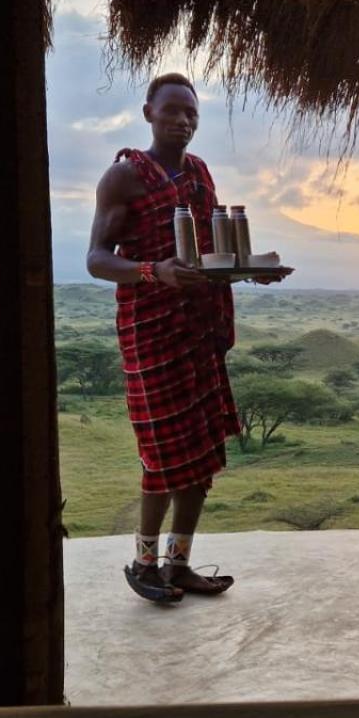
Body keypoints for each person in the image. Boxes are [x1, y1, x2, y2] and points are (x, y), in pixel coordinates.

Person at [86, 73, 239, 604]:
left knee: (199, 452)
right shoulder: (123, 176)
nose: (183, 121)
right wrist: (155, 271)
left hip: (199, 328)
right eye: (172, 110)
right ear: (148, 111)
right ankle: (143, 561)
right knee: (161, 453)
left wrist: (243, 268)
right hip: (150, 329)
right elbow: (97, 259)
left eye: (192, 114)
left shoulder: (199, 173)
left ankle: (179, 563)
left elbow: (209, 248)